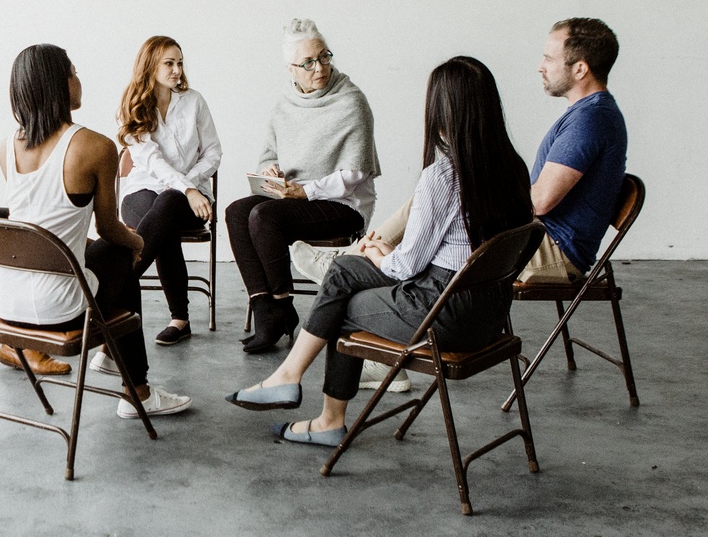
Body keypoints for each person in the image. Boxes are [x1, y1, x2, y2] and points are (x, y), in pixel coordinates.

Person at [290, 17, 627, 388]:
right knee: (433, 195)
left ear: (580, 68)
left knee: (435, 205)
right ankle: (359, 262)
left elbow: (541, 201)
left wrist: (478, 193)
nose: (540, 65)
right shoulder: (590, 114)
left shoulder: (588, 121)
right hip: (540, 242)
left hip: (551, 249)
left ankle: (358, 269)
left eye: (549, 57)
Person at [226, 57, 533, 446]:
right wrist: (381, 252)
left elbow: (407, 268)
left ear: (441, 111)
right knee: (345, 271)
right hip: (489, 311)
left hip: (446, 312)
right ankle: (289, 380)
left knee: (342, 307)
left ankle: (323, 416)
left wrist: (380, 254)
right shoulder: (513, 168)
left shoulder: (443, 175)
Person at [0, 43, 191, 418]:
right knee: (121, 253)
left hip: (6, 301)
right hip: (60, 309)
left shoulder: (7, 148)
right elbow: (110, 228)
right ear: (61, 84)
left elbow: (46, 223)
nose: (80, 80)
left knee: (104, 254)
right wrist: (137, 241)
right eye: (74, 71)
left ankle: (115, 358)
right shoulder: (95, 146)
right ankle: (137, 391)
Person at [225, 18, 380, 354]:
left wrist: (304, 191)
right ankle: (265, 307)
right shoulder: (285, 104)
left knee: (264, 217)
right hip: (294, 199)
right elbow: (267, 154)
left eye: (324, 57)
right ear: (290, 69)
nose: (319, 68)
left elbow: (356, 174)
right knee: (237, 212)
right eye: (308, 63)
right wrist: (272, 170)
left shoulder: (351, 101)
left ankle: (282, 304)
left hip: (343, 205)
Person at [117, 36, 222, 346]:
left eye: (180, 63)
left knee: (167, 206)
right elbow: (150, 160)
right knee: (162, 213)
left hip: (189, 200)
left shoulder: (194, 101)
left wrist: (189, 187)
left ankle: (116, 285)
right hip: (143, 191)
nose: (177, 69)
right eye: (169, 63)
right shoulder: (134, 105)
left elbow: (213, 153)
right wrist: (186, 187)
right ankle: (180, 319)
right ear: (151, 66)